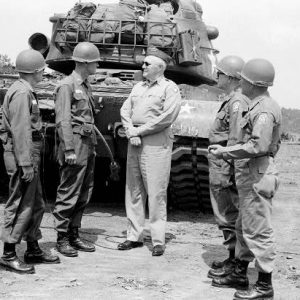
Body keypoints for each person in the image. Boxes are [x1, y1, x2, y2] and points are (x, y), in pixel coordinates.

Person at [209, 58, 281, 300]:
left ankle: (264, 286)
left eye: (243, 80)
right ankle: (240, 272)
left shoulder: (263, 109)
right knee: (244, 227)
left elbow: (258, 145)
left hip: (256, 175)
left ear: (250, 82)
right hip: (250, 174)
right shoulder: (258, 105)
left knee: (258, 231)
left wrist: (224, 152)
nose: (240, 83)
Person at [0, 49, 60, 274]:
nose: (44, 72)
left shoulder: (24, 89)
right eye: (41, 69)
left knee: (36, 204)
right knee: (20, 205)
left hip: (28, 154)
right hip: (22, 155)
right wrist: (25, 163)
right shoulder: (22, 93)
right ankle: (8, 253)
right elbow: (21, 131)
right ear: (35, 70)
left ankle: (33, 247)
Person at [118, 46, 181, 256]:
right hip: (134, 142)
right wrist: (130, 132)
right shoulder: (138, 87)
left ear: (160, 67)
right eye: (143, 63)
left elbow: (167, 117)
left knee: (156, 192)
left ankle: (157, 240)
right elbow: (125, 110)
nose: (142, 66)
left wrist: (139, 131)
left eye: (147, 63)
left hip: (155, 144)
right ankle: (133, 236)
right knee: (133, 190)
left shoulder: (169, 88)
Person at [53, 42, 100, 257]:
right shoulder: (67, 85)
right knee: (69, 190)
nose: (98, 64)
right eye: (95, 62)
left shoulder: (85, 85)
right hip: (75, 144)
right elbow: (63, 120)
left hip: (87, 144)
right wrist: (69, 149)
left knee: (84, 191)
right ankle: (62, 238)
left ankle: (74, 233)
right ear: (85, 63)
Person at [207, 56, 250, 280]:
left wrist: (231, 166)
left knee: (229, 212)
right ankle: (232, 255)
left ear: (232, 78)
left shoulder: (236, 102)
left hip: (226, 165)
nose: (217, 76)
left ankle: (235, 261)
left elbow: (235, 138)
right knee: (225, 212)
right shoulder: (232, 99)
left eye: (221, 73)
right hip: (221, 164)